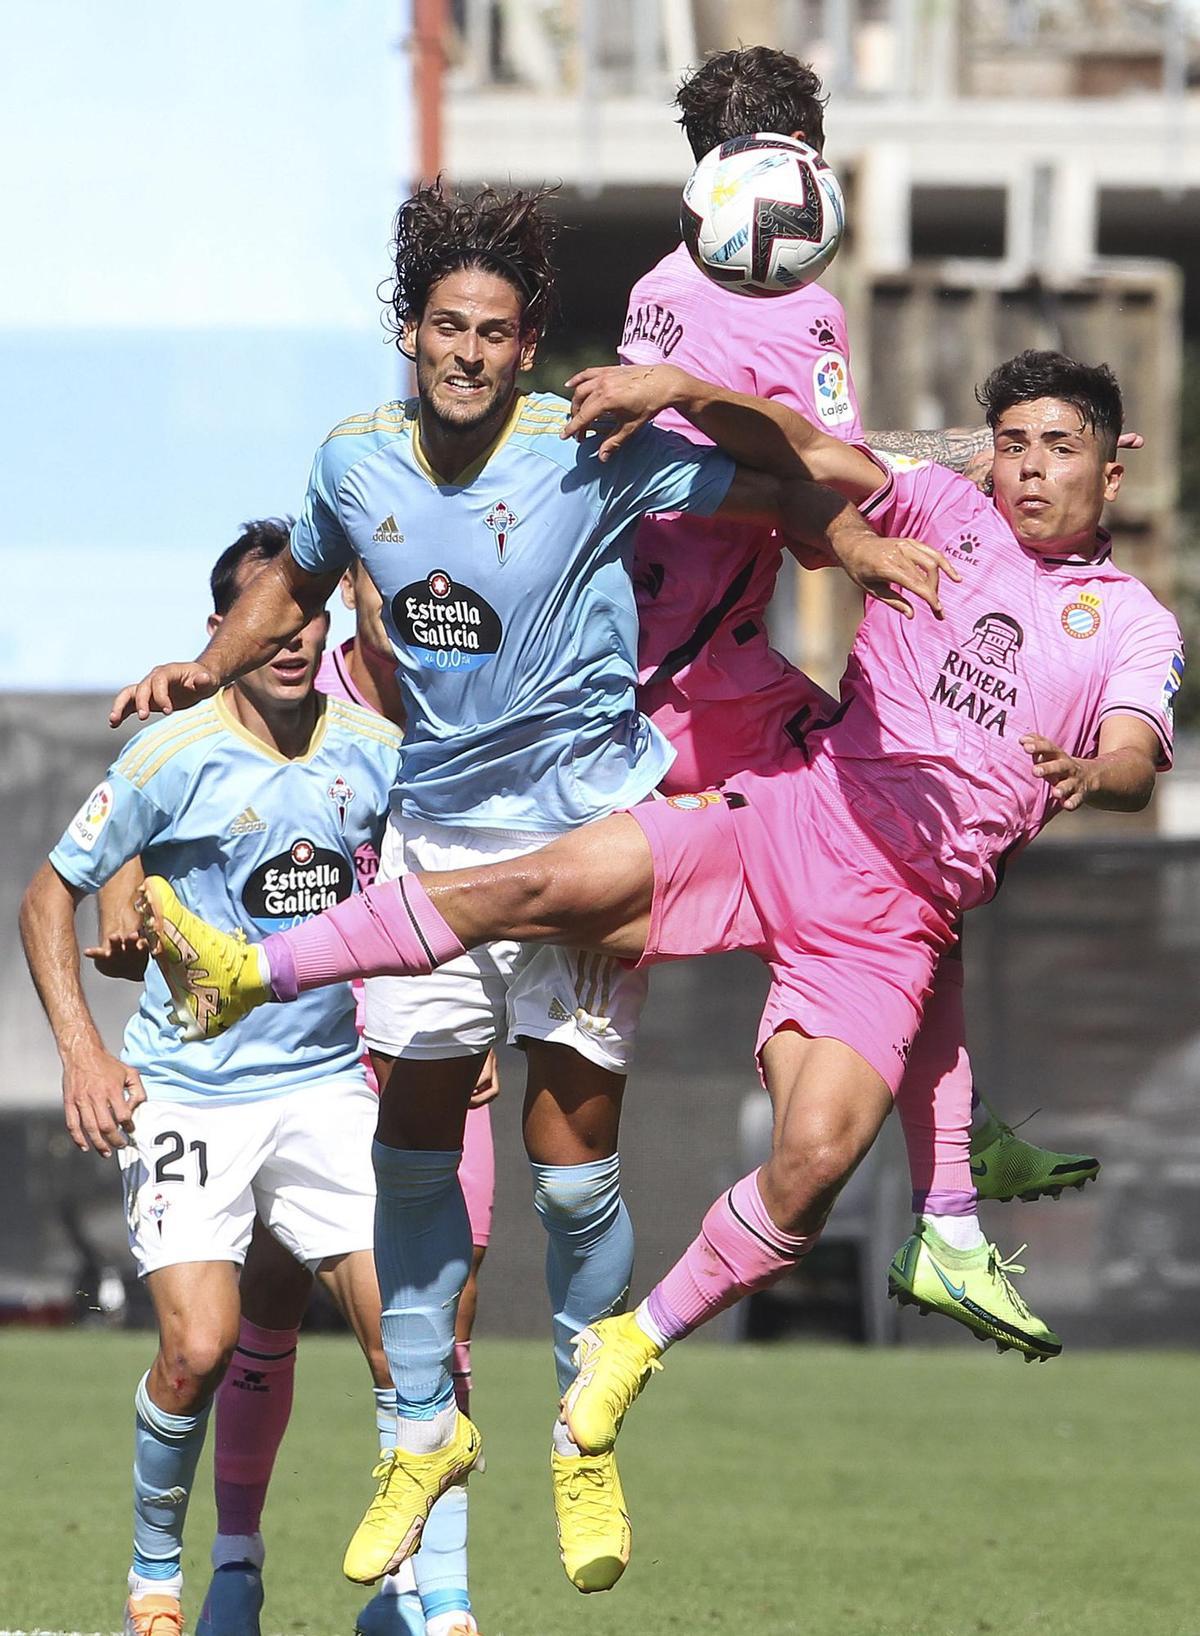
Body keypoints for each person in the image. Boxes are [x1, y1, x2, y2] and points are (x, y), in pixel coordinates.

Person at [135, 349, 1182, 1578]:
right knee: (535, 885)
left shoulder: (1129, 621)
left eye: (1061, 450)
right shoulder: (942, 506)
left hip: (887, 928)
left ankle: (625, 1353)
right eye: (1015, 444)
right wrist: (678, 386)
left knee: (812, 1165)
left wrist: (1087, 774)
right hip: (792, 816)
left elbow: (1127, 752)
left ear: (1116, 466)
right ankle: (252, 970)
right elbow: (802, 447)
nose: (1032, 471)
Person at [109, 179, 947, 1597]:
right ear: (412, 330)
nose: (473, 354)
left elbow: (800, 475)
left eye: (498, 332)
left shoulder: (593, 444)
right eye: (450, 327)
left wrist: (830, 523)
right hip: (435, 841)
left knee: (570, 1179)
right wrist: (208, 663)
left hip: (584, 847)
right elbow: (296, 587)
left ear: (530, 340)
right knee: (418, 1149)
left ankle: (580, 1431)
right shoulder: (350, 464)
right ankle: (423, 1434)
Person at [626, 43, 1101, 1339]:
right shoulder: (803, 296)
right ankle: (947, 1187)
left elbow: (782, 464)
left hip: (648, 672)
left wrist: (890, 468)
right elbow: (814, 480)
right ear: (798, 169)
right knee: (895, 862)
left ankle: (951, 1180)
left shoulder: (665, 279)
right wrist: (899, 504)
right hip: (691, 693)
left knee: (895, 876)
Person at [18, 523, 461, 1636]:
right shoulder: (173, 754)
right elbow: (44, 896)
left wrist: (458, 1024)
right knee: (198, 1347)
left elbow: (430, 885)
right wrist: (82, 1048)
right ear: (225, 631)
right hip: (190, 1094)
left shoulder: (374, 747)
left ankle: (416, 1597)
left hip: (325, 1085)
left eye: (305, 613)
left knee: (411, 1335)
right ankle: (158, 1583)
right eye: (267, 617)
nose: (293, 637)